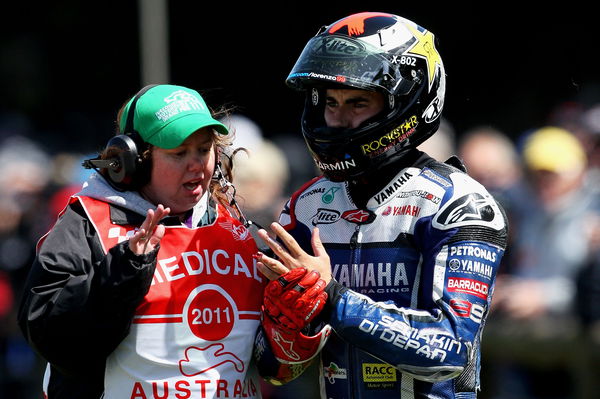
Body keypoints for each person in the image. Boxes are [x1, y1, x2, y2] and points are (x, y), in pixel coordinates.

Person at [252, 12, 508, 399]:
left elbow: (449, 350)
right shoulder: (304, 205)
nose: (338, 120)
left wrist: (332, 299)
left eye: (358, 103)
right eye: (331, 103)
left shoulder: (457, 202)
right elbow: (276, 370)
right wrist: (291, 325)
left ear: (407, 102)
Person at [17, 84, 268, 398]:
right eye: (178, 153)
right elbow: (51, 338)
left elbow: (271, 363)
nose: (197, 165)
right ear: (134, 159)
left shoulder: (234, 225)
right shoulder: (88, 221)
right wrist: (122, 274)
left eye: (204, 150)